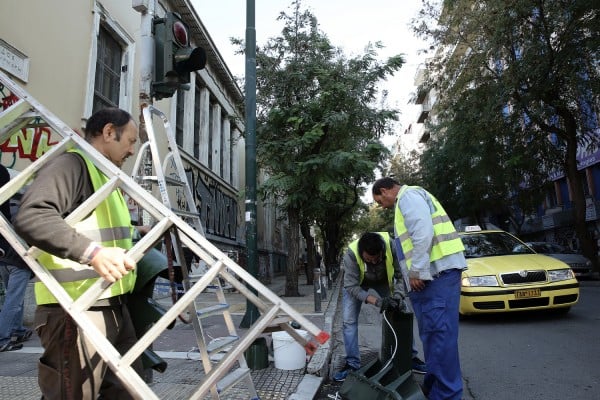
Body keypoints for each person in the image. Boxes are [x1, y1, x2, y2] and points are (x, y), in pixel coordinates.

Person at [14, 108, 141, 399]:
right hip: (76, 310)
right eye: (130, 141)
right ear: (109, 132)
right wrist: (92, 253)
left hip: (109, 306)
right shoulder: (73, 164)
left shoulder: (103, 174)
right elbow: (33, 216)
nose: (132, 150)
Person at [372, 177, 467, 400]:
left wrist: (417, 271)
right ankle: (434, 388)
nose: (382, 206)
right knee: (433, 338)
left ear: (385, 191)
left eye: (379, 200)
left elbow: (423, 233)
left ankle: (446, 395)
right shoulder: (411, 198)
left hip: (435, 276)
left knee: (440, 338)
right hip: (435, 278)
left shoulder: (408, 197)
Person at [333, 231, 427, 382]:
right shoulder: (351, 254)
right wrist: (377, 301)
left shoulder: (392, 246)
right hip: (357, 284)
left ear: (382, 250)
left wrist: (397, 296)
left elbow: (400, 274)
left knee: (403, 312)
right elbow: (351, 286)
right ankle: (352, 364)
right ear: (361, 252)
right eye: (369, 260)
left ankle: (411, 358)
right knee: (348, 322)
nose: (374, 263)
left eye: (377, 259)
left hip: (383, 281)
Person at [0, 164, 33, 352]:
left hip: (4, 257)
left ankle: (17, 329)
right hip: (16, 256)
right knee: (14, 298)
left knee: (13, 296)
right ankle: (2, 337)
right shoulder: (18, 203)